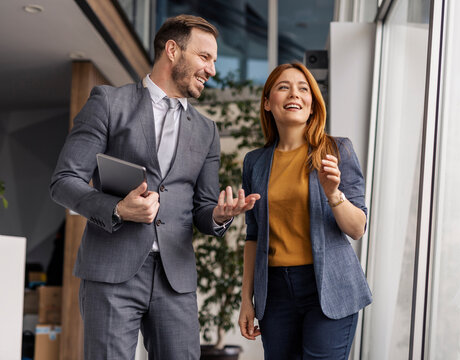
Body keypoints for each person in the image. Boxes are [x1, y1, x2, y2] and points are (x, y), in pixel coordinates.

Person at [50, 15, 259, 360]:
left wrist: (220, 215)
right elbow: (64, 182)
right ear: (172, 50)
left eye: (215, 61)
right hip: (111, 272)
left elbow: (204, 209)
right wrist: (117, 209)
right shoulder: (108, 102)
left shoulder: (207, 130)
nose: (213, 70)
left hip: (174, 279)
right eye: (205, 57)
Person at [238, 63, 372, 360]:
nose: (294, 94)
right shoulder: (255, 162)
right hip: (275, 294)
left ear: (313, 104)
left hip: (329, 287)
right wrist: (246, 299)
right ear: (267, 102)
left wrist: (333, 193)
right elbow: (254, 235)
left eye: (303, 88)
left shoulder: (337, 151)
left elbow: (357, 228)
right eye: (283, 87)